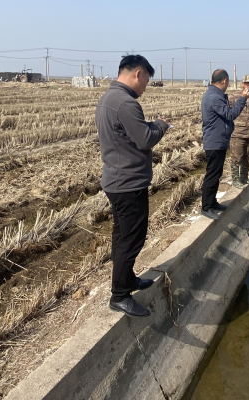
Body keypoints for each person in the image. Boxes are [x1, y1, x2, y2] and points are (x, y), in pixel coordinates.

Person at [95, 55, 170, 318]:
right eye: (146, 80)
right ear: (138, 74)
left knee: (121, 236)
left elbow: (128, 134)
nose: (146, 87)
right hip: (128, 183)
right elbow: (145, 139)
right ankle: (120, 296)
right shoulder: (126, 103)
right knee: (132, 239)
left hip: (116, 180)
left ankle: (127, 279)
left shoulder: (108, 98)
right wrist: (161, 125)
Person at [201, 69, 249, 219]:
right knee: (212, 175)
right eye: (228, 82)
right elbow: (230, 114)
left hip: (219, 141)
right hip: (214, 142)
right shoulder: (214, 97)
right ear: (224, 81)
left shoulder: (214, 95)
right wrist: (242, 99)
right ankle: (206, 207)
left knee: (217, 174)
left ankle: (212, 202)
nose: (227, 85)